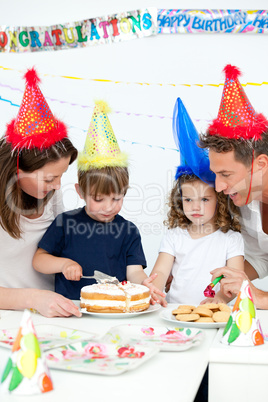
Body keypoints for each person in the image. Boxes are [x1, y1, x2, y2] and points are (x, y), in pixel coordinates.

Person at [33, 100, 164, 301]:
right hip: (71, 307)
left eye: (117, 198)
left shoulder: (128, 231)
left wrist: (143, 283)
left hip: (115, 308)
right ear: (80, 192)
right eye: (98, 199)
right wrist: (64, 264)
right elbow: (39, 261)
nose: (109, 207)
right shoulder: (65, 224)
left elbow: (134, 273)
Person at [145, 98, 244, 306]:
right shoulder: (174, 236)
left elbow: (234, 281)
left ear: (220, 200)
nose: (195, 207)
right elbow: (161, 271)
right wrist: (154, 287)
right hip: (173, 312)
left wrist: (218, 299)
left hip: (215, 314)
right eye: (188, 199)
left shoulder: (231, 239)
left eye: (205, 199)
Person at [0, 67, 81, 317]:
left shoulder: (50, 194)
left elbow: (62, 249)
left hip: (52, 312)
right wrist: (33, 298)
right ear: (18, 169)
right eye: (50, 178)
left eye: (61, 176)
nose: (57, 186)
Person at [199, 64, 268, 308]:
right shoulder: (246, 200)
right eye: (216, 174)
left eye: (226, 174)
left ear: (260, 163)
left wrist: (257, 296)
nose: (218, 187)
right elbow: (261, 258)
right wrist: (224, 290)